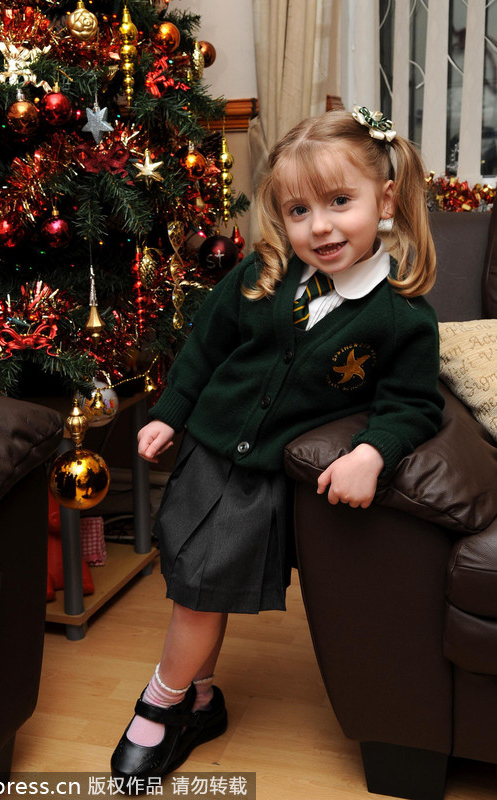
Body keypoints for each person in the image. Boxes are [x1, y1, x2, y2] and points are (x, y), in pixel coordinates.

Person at [111, 106, 444, 787]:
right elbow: (205, 347)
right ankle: (202, 700)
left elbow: (411, 404)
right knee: (194, 583)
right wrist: (172, 412)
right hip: (207, 454)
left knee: (200, 592)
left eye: (339, 202)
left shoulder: (400, 314)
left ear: (385, 200)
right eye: (298, 211)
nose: (318, 227)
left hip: (260, 478)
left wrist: (371, 453)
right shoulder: (261, 272)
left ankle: (161, 701)